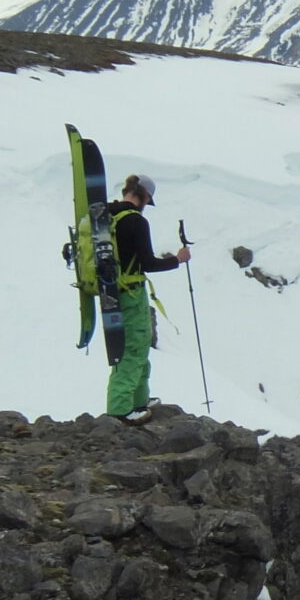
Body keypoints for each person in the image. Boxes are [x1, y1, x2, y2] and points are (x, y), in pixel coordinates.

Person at [105, 173, 190, 424]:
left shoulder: (107, 216)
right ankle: (121, 409)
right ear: (143, 195)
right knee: (134, 346)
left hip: (111, 293)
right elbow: (147, 263)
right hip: (130, 293)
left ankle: (139, 400)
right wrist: (178, 259)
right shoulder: (135, 221)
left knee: (135, 345)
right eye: (148, 200)